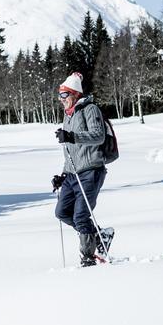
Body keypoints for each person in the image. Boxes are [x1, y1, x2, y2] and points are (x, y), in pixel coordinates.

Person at [52, 72, 114, 267]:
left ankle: (88, 257)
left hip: (90, 171)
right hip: (72, 173)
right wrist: (63, 175)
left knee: (80, 215)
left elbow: (98, 136)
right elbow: (70, 150)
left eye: (64, 95)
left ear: (75, 94)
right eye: (60, 96)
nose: (61, 100)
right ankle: (99, 235)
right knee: (62, 212)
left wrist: (71, 136)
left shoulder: (90, 109)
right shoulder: (68, 115)